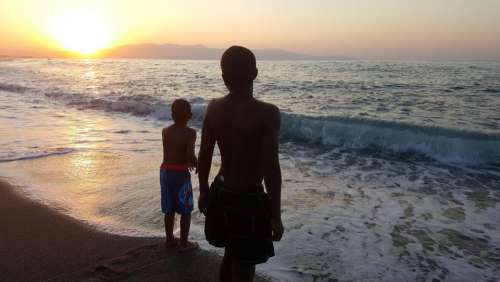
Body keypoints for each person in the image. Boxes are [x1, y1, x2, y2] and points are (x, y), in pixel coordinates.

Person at [198, 46, 284, 282]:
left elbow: (204, 154)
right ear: (255, 73)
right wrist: (275, 214)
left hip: (221, 191)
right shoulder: (267, 113)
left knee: (230, 253)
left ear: (224, 78)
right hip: (249, 198)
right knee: (245, 265)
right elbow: (271, 167)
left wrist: (204, 189)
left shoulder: (213, 108)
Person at [160, 98, 198, 252]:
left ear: (172, 114)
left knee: (169, 208)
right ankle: (184, 243)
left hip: (165, 171)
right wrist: (195, 163)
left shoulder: (165, 131)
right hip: (180, 173)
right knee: (185, 209)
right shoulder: (190, 133)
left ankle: (169, 239)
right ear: (189, 115)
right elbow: (189, 154)